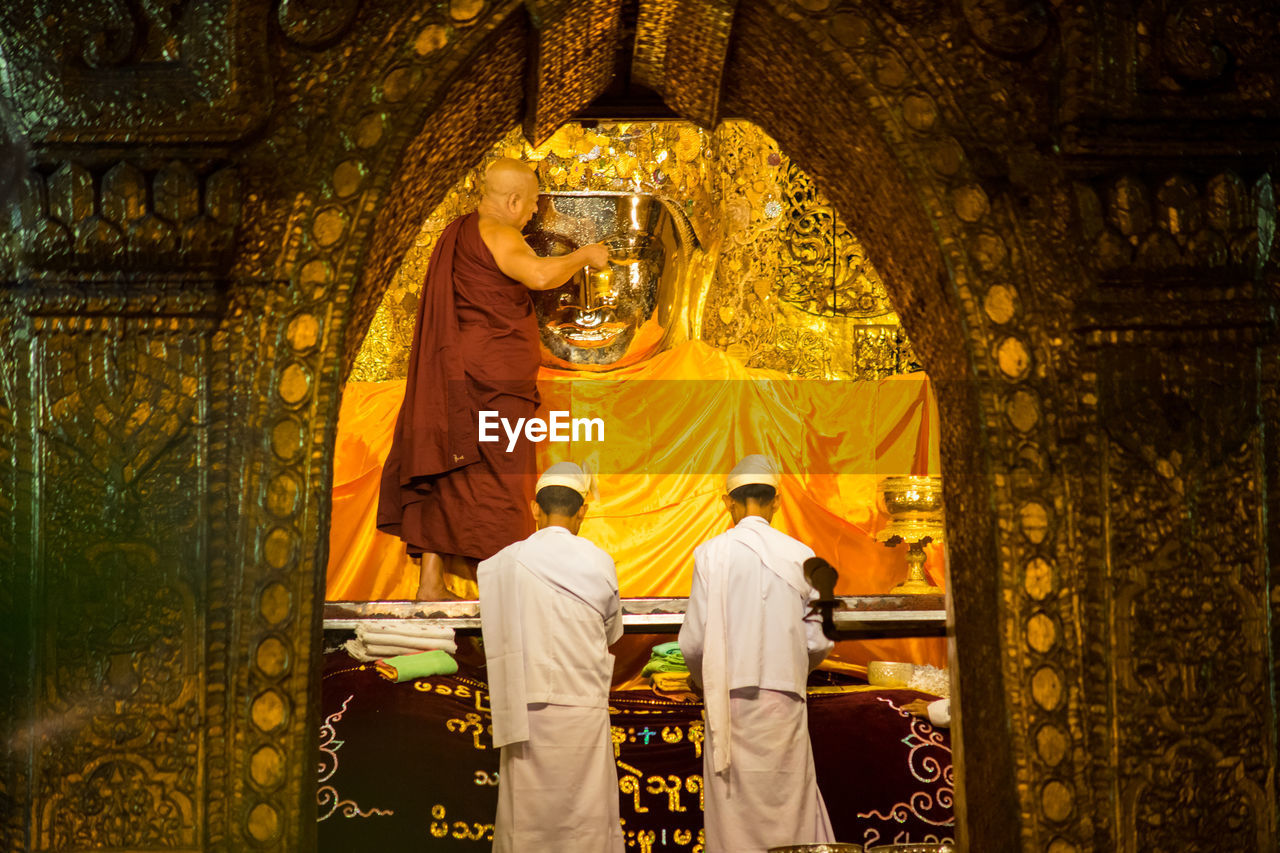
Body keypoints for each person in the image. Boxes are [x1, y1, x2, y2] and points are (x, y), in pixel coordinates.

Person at [378, 158, 610, 599]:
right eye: (533, 204)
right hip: (490, 382)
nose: (532, 214)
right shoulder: (500, 233)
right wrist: (585, 255)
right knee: (499, 483)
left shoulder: (460, 232)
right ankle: (503, 590)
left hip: (458, 373)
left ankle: (431, 582)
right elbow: (539, 274)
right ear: (514, 199)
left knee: (447, 466)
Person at [678, 454, 836, 853]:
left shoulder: (711, 553)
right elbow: (818, 641)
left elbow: (694, 642)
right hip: (784, 699)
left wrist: (702, 678)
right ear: (776, 502)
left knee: (733, 811)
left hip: (729, 700)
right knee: (789, 802)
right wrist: (793, 665)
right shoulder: (802, 555)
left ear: (728, 503)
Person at [477, 461, 624, 853]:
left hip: (526, 709)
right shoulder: (600, 561)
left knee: (527, 822)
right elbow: (611, 633)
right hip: (583, 707)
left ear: (534, 510)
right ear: (582, 512)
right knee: (589, 820)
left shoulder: (502, 563)